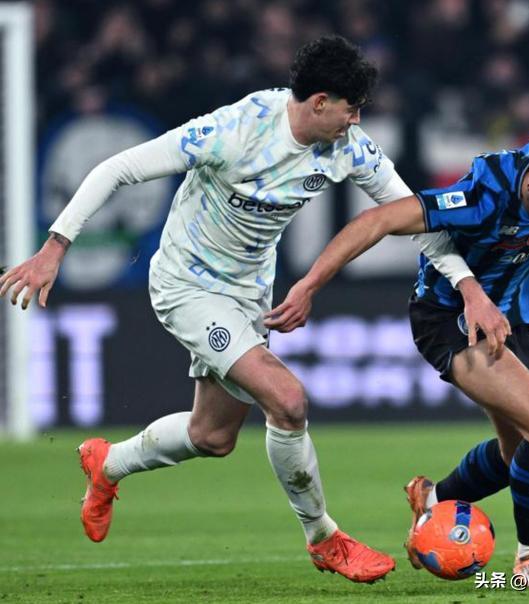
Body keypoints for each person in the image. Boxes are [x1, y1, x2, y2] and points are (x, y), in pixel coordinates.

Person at [0, 35, 475, 584]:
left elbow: (414, 215)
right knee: (288, 400)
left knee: (212, 436)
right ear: (319, 102)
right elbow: (118, 168)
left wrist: (467, 286)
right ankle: (324, 538)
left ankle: (107, 464)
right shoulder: (234, 130)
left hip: (248, 292)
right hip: (187, 285)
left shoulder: (349, 148)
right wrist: (55, 246)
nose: (357, 120)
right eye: (351, 108)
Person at [265, 134, 529, 582]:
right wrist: (308, 286)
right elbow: (377, 220)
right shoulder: (483, 195)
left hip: (513, 315)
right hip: (450, 320)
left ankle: (433, 499)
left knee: (521, 456)